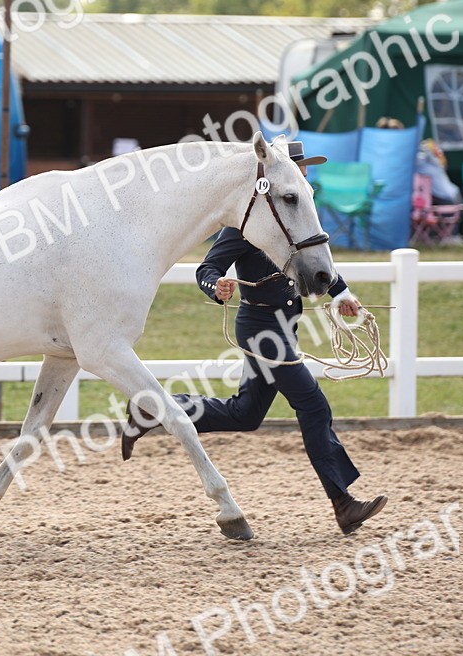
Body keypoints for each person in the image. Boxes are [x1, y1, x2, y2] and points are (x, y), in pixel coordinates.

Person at [120, 142, 387, 536]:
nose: (303, 176)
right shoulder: (247, 222)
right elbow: (207, 267)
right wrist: (217, 287)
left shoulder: (296, 217)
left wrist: (342, 294)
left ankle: (154, 408)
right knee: (312, 405)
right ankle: (343, 502)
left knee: (245, 414)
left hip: (283, 325)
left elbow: (313, 260)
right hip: (262, 329)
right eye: (298, 169)